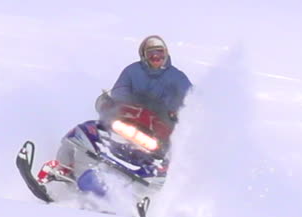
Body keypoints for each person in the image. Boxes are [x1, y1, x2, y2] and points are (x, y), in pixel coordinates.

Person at [43, 35, 193, 181]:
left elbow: (192, 100)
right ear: (144, 55)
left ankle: (150, 191)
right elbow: (120, 90)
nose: (156, 58)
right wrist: (111, 104)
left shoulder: (178, 77)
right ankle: (63, 167)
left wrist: (178, 113)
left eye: (160, 54)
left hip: (157, 129)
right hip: (129, 120)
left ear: (166, 54)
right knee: (85, 130)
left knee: (167, 160)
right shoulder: (132, 71)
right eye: (152, 54)